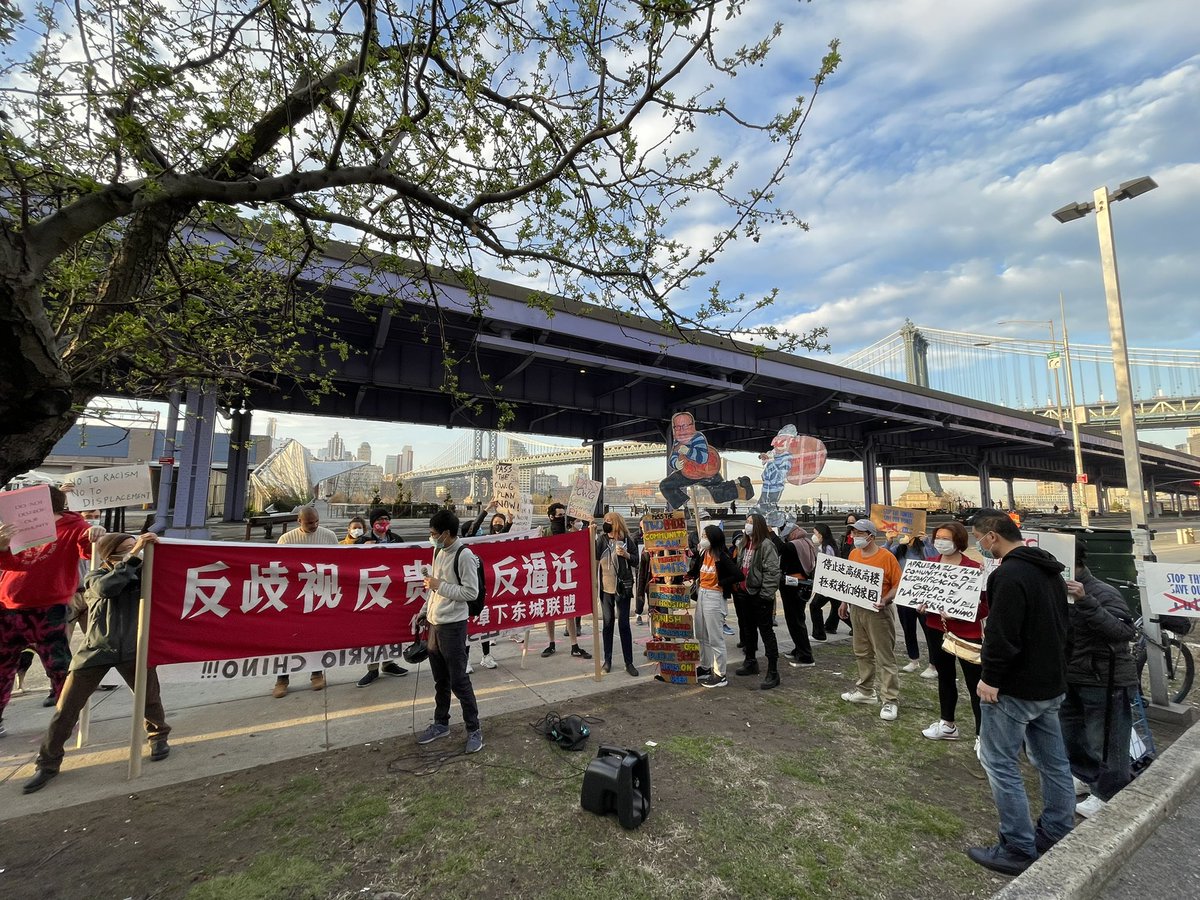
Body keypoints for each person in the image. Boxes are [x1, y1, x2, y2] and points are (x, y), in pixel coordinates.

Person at [967, 511, 1074, 875]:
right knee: (1053, 763)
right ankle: (1059, 830)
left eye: (979, 537)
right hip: (1050, 683)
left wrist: (991, 677)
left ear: (993, 537)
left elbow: (1002, 633)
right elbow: (1063, 627)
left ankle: (1017, 846)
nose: (979, 544)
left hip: (1014, 688)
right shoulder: (1050, 571)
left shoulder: (1007, 575)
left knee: (1000, 763)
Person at [22, 531, 170, 793]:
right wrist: (135, 555)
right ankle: (47, 763)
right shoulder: (96, 576)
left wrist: (151, 550)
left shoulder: (143, 574)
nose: (133, 549)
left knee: (149, 698)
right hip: (95, 651)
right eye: (126, 547)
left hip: (133, 649)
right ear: (110, 553)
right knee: (66, 709)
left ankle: (158, 736)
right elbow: (107, 589)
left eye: (133, 545)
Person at [0, 486, 103, 736]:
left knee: (58, 666)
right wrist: (1, 546)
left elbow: (89, 551)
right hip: (8, 606)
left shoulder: (75, 527)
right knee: (2, 667)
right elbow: (9, 562)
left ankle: (66, 718)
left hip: (49, 608)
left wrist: (96, 536)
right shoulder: (14, 528)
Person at [1060, 542, 1138, 819]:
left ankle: (1108, 793)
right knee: (1073, 736)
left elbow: (1122, 630)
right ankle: (1085, 776)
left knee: (1106, 740)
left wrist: (1086, 602)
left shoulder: (1101, 592)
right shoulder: (1055, 591)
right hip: (1069, 677)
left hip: (1104, 680)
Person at [415, 509, 483, 754]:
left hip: (453, 627)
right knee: (440, 680)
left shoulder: (464, 555)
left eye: (434, 534)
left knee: (459, 680)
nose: (431, 537)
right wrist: (425, 610)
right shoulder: (438, 550)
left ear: (446, 533)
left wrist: (439, 586)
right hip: (435, 623)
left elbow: (470, 593)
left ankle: (474, 729)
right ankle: (441, 723)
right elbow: (433, 588)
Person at [918, 522, 988, 747]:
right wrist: (919, 605)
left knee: (974, 682)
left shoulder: (974, 568)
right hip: (936, 629)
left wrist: (960, 612)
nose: (940, 542)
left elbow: (986, 606)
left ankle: (982, 735)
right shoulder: (929, 565)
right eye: (937, 537)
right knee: (945, 677)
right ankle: (947, 723)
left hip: (967, 633)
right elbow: (917, 595)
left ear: (958, 541)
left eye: (945, 538)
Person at [838, 520, 903, 721]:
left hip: (878, 611)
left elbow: (896, 584)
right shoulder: (854, 554)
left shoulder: (886, 557)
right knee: (861, 651)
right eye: (854, 533)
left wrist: (885, 600)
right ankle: (865, 691)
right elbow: (850, 581)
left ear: (871, 536)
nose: (855, 537)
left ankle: (890, 699)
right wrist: (843, 602)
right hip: (857, 609)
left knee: (884, 655)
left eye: (859, 533)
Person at [272, 506, 337, 697]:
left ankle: (316, 673)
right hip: (293, 597)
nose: (314, 525)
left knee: (315, 636)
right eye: (309, 523)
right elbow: (277, 568)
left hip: (319, 595)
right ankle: (282, 679)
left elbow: (339, 563)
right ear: (299, 521)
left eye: (317, 521)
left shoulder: (329, 536)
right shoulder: (286, 540)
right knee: (287, 638)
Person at [355, 508, 409, 686]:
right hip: (371, 592)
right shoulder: (362, 541)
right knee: (373, 631)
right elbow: (350, 563)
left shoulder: (397, 540)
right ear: (372, 523)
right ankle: (372, 669)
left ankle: (388, 663)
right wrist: (362, 549)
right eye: (380, 520)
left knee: (389, 629)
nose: (384, 522)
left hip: (391, 591)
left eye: (387, 519)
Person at [659, 411, 752, 512]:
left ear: (692, 425)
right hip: (688, 473)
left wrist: (688, 451)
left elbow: (703, 458)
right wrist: (675, 463)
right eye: (677, 427)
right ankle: (682, 508)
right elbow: (673, 456)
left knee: (719, 496)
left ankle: (740, 482)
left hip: (707, 472)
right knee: (665, 485)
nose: (681, 430)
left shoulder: (698, 437)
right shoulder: (678, 441)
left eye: (684, 426)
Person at [732, 513, 782, 690]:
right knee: (748, 629)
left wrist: (765, 595)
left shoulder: (766, 545)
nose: (747, 525)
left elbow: (773, 572)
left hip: (759, 596)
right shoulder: (744, 544)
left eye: (751, 522)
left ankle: (773, 672)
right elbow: (739, 566)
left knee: (767, 632)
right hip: (744, 594)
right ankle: (750, 661)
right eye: (747, 522)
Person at [688, 524, 741, 688]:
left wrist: (721, 582)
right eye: (702, 536)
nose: (702, 539)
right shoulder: (704, 554)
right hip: (702, 595)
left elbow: (738, 575)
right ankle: (705, 667)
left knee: (715, 638)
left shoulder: (721, 556)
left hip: (714, 597)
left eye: (705, 536)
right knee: (702, 634)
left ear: (713, 539)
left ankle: (720, 674)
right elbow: (695, 570)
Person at [465, 503, 510, 671]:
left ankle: (486, 656)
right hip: (469, 592)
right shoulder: (467, 546)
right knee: (469, 628)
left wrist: (510, 522)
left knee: (484, 625)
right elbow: (473, 527)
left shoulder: (487, 545)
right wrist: (486, 509)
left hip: (484, 590)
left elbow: (502, 537)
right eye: (474, 531)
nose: (478, 532)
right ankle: (466, 659)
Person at [886, 531, 937, 678]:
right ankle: (913, 659)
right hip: (905, 595)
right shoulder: (898, 549)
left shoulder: (924, 548)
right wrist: (889, 541)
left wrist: (927, 542)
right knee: (908, 628)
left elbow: (935, 559)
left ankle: (933, 665)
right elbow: (884, 555)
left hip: (923, 596)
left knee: (929, 630)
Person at [595, 512, 639, 676]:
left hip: (623, 587)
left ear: (617, 523)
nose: (606, 523)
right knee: (607, 624)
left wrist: (626, 555)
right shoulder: (602, 539)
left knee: (624, 625)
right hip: (606, 588)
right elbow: (595, 558)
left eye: (609, 521)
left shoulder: (627, 539)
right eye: (604, 521)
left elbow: (636, 560)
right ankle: (608, 660)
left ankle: (629, 662)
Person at [774, 524, 816, 668]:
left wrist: (771, 533)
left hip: (794, 586)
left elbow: (781, 548)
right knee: (797, 619)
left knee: (795, 620)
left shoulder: (795, 545)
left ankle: (806, 655)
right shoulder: (806, 542)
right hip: (800, 585)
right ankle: (799, 648)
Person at [807, 523, 839, 642]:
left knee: (814, 605)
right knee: (838, 607)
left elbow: (828, 566)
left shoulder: (827, 548)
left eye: (815, 533)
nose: (813, 536)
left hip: (827, 582)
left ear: (821, 534)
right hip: (829, 582)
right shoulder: (826, 546)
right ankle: (859, 629)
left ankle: (819, 634)